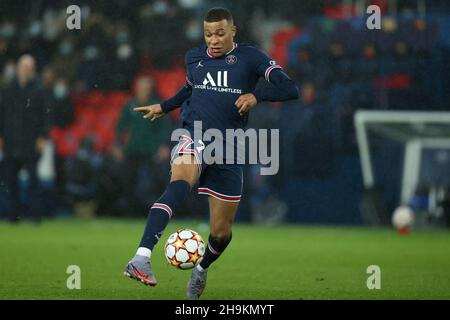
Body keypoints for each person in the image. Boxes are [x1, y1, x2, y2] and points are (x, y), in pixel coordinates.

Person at [124, 8, 299, 299]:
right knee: (180, 183)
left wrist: (258, 95)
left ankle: (201, 269)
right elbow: (190, 88)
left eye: (220, 33)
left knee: (221, 232)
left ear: (233, 32)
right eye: (208, 34)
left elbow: (290, 88)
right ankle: (141, 257)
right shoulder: (194, 57)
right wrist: (164, 106)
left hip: (229, 145)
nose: (213, 40)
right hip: (193, 135)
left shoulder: (251, 57)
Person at [0, 54, 49, 223]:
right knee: (10, 181)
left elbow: (45, 116)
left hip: (30, 142)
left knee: (33, 182)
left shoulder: (39, 90)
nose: (26, 70)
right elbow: (2, 114)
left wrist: (42, 137)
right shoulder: (7, 89)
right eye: (24, 66)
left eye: (30, 67)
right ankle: (13, 216)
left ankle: (35, 216)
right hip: (11, 141)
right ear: (18, 68)